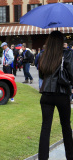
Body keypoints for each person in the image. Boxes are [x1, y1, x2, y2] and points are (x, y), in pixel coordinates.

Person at [38, 31, 73, 160]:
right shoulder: (67, 54)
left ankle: (43, 158)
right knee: (66, 127)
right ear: (61, 42)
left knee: (45, 127)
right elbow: (72, 74)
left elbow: (42, 75)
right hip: (62, 94)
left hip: (46, 95)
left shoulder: (43, 55)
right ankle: (70, 156)